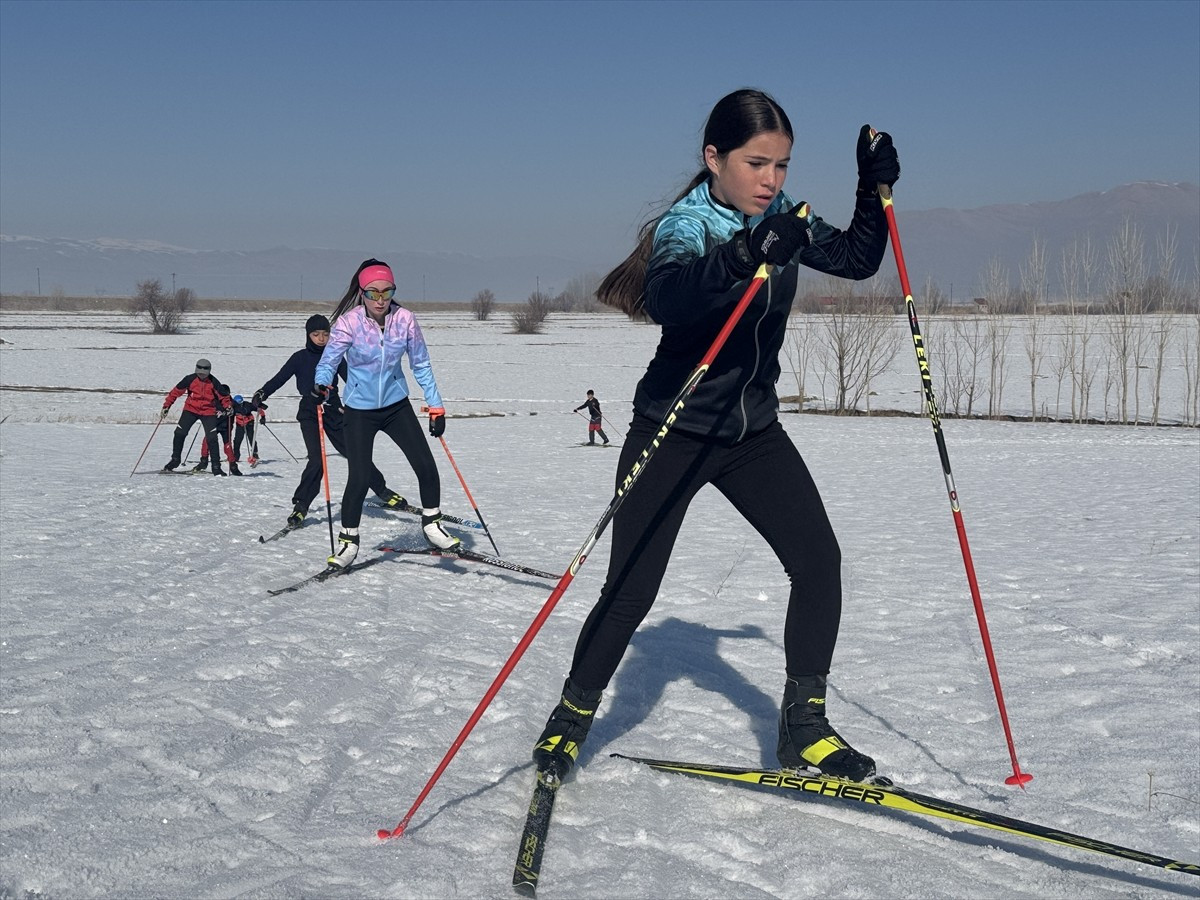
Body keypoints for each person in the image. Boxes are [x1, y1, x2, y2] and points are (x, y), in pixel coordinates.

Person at [531, 89, 899, 782]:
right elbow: (672, 296)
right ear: (714, 158)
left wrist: (871, 188)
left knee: (819, 565)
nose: (771, 180)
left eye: (783, 166)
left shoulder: (784, 219)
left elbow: (857, 260)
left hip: (751, 433)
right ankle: (569, 721)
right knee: (630, 592)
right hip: (675, 429)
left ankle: (804, 728)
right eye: (757, 163)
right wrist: (744, 252)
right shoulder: (688, 224)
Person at [314, 259, 457, 568]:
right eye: (372, 293)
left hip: (395, 406)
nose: (380, 300)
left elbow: (420, 364)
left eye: (386, 291)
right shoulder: (348, 323)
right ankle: (348, 543)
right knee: (360, 477)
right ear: (362, 293)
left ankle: (432, 524)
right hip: (359, 410)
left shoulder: (405, 320)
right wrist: (321, 385)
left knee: (425, 465)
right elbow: (328, 361)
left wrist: (436, 406)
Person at [254, 314, 406, 527]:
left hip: (334, 410)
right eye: (316, 334)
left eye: (326, 334)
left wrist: (373, 396)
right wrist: (262, 393)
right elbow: (279, 379)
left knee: (355, 454)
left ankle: (382, 490)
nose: (321, 338)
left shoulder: (335, 356)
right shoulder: (299, 358)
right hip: (309, 411)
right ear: (308, 335)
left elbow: (353, 379)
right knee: (316, 460)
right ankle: (301, 506)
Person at [160, 358, 233, 475]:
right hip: (190, 410)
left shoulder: (214, 382)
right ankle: (175, 460)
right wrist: (166, 406)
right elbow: (175, 392)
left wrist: (228, 406)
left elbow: (224, 397)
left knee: (212, 438)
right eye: (199, 373)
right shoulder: (189, 379)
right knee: (179, 433)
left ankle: (216, 467)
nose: (202, 375)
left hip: (208, 412)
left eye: (204, 373)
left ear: (209, 372)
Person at [230, 394, 265, 466]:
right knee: (237, 440)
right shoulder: (233, 407)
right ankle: (236, 456)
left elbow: (259, 409)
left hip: (249, 423)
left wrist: (263, 417)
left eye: (241, 403)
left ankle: (255, 454)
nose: (240, 405)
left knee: (251, 438)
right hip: (240, 424)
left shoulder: (248, 405)